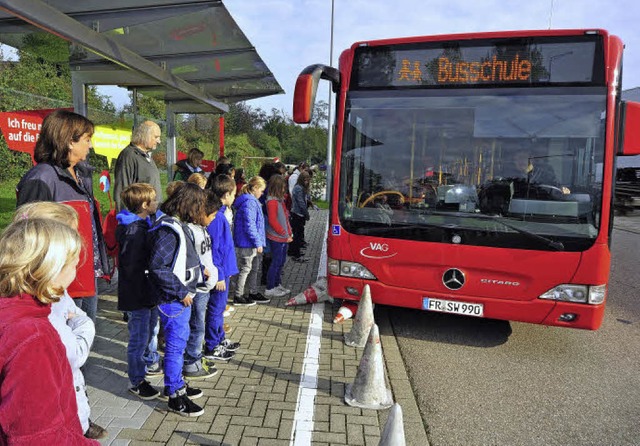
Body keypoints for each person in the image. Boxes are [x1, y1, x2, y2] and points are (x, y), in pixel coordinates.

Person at [11, 202, 107, 440]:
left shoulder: (26, 303)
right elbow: (72, 351)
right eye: (73, 262)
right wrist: (83, 326)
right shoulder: (37, 333)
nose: (77, 269)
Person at [16, 109, 108, 323]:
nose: (91, 145)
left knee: (83, 341)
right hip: (60, 284)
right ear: (69, 141)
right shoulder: (42, 178)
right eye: (87, 139)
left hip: (85, 276)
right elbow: (28, 240)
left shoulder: (81, 174)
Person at [147, 182, 207, 417]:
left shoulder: (175, 225)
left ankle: (177, 382)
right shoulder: (168, 229)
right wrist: (181, 291)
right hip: (174, 300)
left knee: (178, 345)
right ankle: (174, 394)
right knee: (175, 346)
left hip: (179, 297)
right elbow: (158, 266)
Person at [116, 183, 164, 401]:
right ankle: (136, 380)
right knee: (138, 338)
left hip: (147, 292)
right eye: (153, 200)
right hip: (138, 295)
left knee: (148, 333)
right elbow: (132, 267)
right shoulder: (135, 231)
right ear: (145, 205)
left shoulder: (142, 225)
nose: (156, 203)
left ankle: (146, 366)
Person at [184, 189, 221, 379]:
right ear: (200, 212)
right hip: (196, 287)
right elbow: (190, 259)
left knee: (199, 324)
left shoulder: (202, 229)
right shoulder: (189, 230)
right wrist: (203, 273)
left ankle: (195, 356)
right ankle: (191, 361)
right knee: (196, 326)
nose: (214, 219)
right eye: (212, 215)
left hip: (204, 287)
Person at [204, 175, 241, 361]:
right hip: (221, 271)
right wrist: (218, 273)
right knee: (216, 309)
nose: (235, 197)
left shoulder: (219, 214)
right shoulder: (217, 218)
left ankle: (219, 338)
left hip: (225, 269)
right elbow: (215, 248)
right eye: (233, 194)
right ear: (226, 194)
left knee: (218, 309)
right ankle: (212, 345)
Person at [232, 176, 270, 306]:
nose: (262, 193)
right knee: (246, 268)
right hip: (247, 243)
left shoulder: (251, 202)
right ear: (254, 188)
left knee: (254, 268)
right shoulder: (249, 203)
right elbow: (250, 224)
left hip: (250, 242)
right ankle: (239, 295)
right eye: (261, 190)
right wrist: (257, 242)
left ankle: (252, 291)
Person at [113, 120, 163, 211]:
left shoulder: (146, 156)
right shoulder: (129, 156)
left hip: (150, 217)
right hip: (138, 219)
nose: (159, 141)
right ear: (145, 135)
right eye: (156, 137)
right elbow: (122, 190)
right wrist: (126, 220)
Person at [265, 174, 293, 298]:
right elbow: (273, 221)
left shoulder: (279, 201)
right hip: (277, 237)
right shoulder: (272, 202)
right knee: (276, 262)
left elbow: (284, 218)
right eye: (282, 187)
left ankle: (277, 284)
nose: (284, 189)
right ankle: (270, 287)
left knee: (280, 262)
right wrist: (283, 233)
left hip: (282, 236)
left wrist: (288, 231)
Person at [288, 171, 311, 262]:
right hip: (297, 214)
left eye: (308, 180)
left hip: (298, 213)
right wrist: (306, 214)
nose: (307, 182)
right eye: (305, 180)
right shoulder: (298, 188)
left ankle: (293, 251)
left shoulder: (300, 188)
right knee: (296, 235)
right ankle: (296, 254)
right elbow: (301, 203)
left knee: (298, 233)